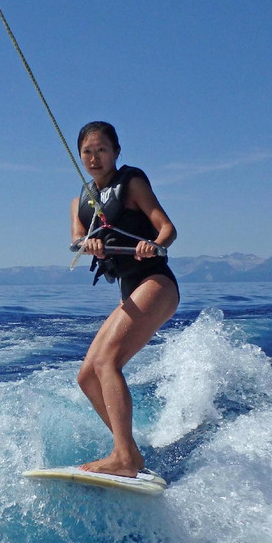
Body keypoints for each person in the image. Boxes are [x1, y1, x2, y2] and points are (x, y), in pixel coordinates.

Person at [69, 121, 180, 478]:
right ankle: (129, 453)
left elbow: (167, 227)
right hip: (131, 290)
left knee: (107, 362)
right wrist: (89, 245)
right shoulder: (79, 201)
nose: (94, 157)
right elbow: (76, 241)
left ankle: (123, 458)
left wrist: (154, 244)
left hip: (156, 282)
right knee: (87, 376)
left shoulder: (131, 183)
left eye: (102, 150)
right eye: (87, 151)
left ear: (116, 152)